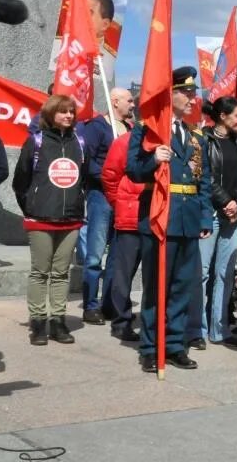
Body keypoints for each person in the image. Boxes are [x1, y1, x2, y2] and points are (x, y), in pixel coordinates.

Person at [126, 67, 213, 372]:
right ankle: (151, 347)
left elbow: (202, 178)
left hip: (187, 219)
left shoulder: (194, 136)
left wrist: (204, 217)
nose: (193, 99)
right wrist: (154, 160)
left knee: (181, 287)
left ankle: (175, 344)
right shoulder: (148, 129)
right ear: (170, 94)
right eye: (186, 93)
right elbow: (133, 170)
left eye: (194, 93)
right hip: (160, 216)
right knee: (156, 286)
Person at [12, 94, 87, 346]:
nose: (68, 116)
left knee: (61, 273)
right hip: (40, 218)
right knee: (40, 272)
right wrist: (32, 206)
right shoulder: (36, 141)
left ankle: (58, 320)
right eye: (63, 111)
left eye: (71, 112)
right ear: (50, 113)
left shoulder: (79, 141)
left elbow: (84, 178)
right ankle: (37, 321)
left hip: (70, 219)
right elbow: (20, 181)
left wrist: (77, 203)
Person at [188, 96, 237, 349]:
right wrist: (225, 200)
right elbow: (202, 176)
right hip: (209, 213)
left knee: (226, 273)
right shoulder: (203, 139)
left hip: (234, 216)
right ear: (222, 116)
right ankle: (196, 330)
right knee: (201, 273)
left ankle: (219, 329)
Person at [79, 86, 134, 325]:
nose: (133, 105)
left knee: (116, 255)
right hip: (101, 196)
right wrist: (110, 178)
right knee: (95, 254)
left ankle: (110, 303)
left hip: (123, 199)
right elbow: (87, 161)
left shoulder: (130, 129)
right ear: (115, 102)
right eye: (129, 101)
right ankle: (91, 305)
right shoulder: (97, 127)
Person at [101, 128, 144, 342]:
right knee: (124, 274)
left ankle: (151, 320)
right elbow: (110, 175)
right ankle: (121, 321)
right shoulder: (125, 141)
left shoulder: (165, 140)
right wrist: (120, 203)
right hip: (130, 218)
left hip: (157, 218)